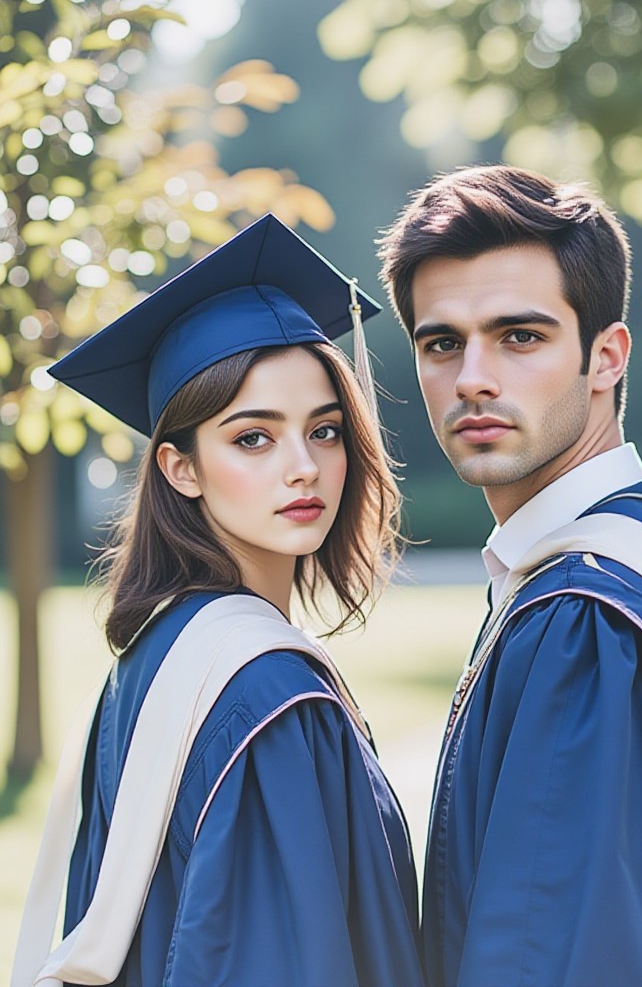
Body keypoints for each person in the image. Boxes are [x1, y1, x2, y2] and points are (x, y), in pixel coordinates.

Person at [379, 164, 642, 987]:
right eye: (441, 343)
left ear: (606, 357)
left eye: (519, 336)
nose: (472, 378)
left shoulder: (589, 620)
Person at [12, 214, 424, 987]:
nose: (303, 467)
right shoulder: (264, 691)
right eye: (253, 438)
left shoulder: (154, 654)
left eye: (326, 431)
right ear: (180, 468)